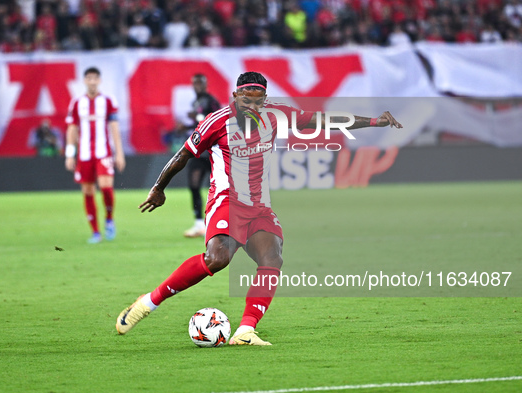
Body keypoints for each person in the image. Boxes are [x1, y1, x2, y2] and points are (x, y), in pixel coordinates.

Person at [116, 71, 402, 345]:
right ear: (234, 96)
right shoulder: (216, 122)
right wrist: (158, 187)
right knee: (217, 259)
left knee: (272, 258)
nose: (251, 105)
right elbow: (183, 156)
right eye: (245, 99)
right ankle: (148, 302)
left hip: (259, 206)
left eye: (257, 100)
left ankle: (245, 330)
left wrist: (375, 121)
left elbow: (325, 120)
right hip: (226, 201)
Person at [65, 67, 126, 244]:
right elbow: (72, 128)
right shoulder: (76, 103)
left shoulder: (108, 101)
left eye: (95, 78)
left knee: (106, 187)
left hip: (103, 152)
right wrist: (70, 154)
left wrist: (119, 154)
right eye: (88, 78)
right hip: (84, 154)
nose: (92, 81)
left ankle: (109, 219)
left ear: (99, 80)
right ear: (84, 81)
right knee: (88, 191)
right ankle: (95, 232)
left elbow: (114, 128)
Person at [183, 73, 221, 238]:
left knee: (219, 188)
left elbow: (215, 121)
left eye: (200, 83)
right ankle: (199, 224)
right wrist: (185, 127)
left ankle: (221, 222)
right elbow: (197, 125)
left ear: (206, 84)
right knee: (194, 185)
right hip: (199, 151)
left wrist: (196, 117)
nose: (197, 86)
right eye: (194, 83)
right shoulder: (196, 102)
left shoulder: (212, 101)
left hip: (212, 151)